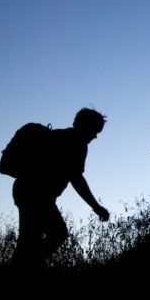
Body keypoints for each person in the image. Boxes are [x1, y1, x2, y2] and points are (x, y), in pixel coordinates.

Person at [8, 108, 109, 267]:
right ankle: (25, 266)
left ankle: (26, 265)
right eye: (95, 131)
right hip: (37, 194)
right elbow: (76, 178)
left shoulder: (59, 135)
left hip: (27, 190)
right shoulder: (76, 143)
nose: (95, 136)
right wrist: (96, 206)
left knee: (31, 239)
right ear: (85, 126)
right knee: (55, 234)